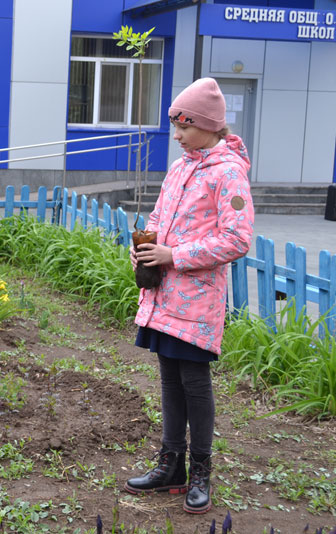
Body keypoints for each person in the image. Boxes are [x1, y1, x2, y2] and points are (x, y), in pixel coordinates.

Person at [124, 78, 254, 514]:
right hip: (164, 299)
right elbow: (159, 215)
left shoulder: (228, 172)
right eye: (175, 125)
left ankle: (201, 472)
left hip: (197, 304)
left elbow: (237, 239)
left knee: (195, 385)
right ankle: (171, 465)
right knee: (168, 380)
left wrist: (173, 254)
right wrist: (144, 245)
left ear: (208, 126)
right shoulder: (181, 167)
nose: (176, 135)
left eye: (183, 126)